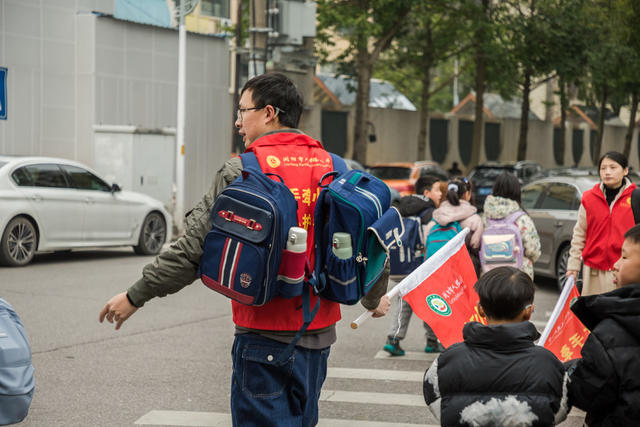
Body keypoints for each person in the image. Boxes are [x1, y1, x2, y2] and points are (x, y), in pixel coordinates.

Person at [98, 73, 390, 427]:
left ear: (269, 113)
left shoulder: (244, 170)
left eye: (242, 110)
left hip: (262, 336)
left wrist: (134, 296)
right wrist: (374, 298)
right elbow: (368, 240)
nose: (238, 121)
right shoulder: (336, 168)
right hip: (319, 338)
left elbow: (193, 249)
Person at [423, 267, 570, 426]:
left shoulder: (446, 361)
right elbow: (558, 410)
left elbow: (438, 404)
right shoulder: (549, 364)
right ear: (528, 312)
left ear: (480, 309)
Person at [565, 224, 640, 426]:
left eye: (624, 257)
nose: (615, 264)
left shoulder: (609, 334)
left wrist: (569, 371)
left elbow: (588, 393)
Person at [383, 175, 442, 356]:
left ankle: (395, 339)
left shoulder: (402, 205)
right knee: (430, 300)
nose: (440, 194)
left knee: (407, 300)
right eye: (437, 190)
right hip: (419, 264)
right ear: (426, 192)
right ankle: (430, 341)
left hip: (398, 264)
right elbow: (428, 238)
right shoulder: (429, 212)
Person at [566, 151, 637, 295]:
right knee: (592, 314)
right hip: (592, 271)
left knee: (619, 314)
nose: (607, 172)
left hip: (624, 271)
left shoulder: (636, 198)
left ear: (625, 171)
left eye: (613, 167)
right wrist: (573, 265)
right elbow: (579, 233)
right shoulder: (589, 198)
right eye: (603, 168)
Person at [482, 172, 541, 279]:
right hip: (518, 278)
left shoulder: (484, 217)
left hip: (489, 277)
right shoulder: (522, 219)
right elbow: (533, 251)